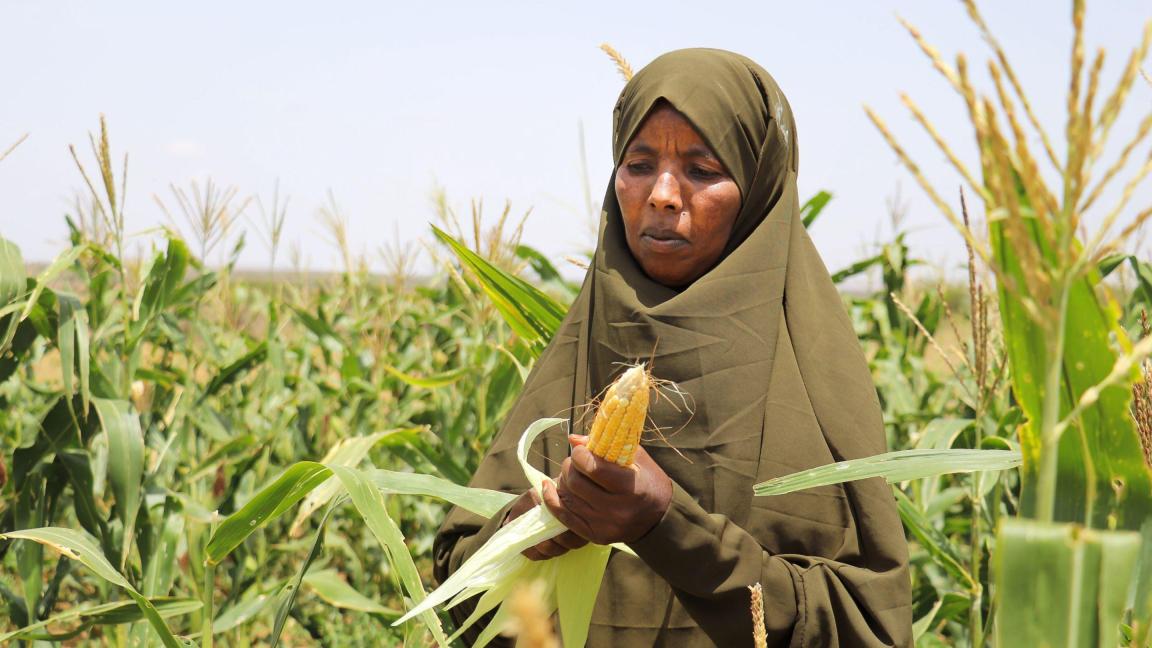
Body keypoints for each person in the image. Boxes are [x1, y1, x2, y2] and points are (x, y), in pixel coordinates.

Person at [434, 48, 913, 647]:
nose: (662, 193)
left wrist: (666, 526)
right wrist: (533, 529)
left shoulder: (812, 387)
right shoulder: (582, 352)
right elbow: (456, 588)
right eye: (638, 164)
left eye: (703, 170)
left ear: (760, 190)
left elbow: (867, 627)